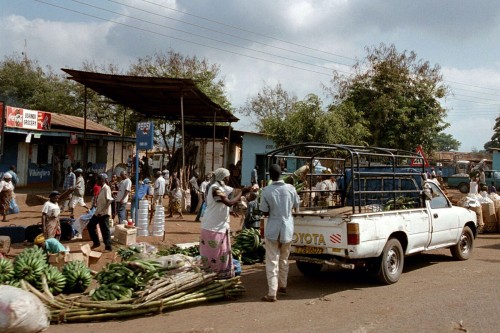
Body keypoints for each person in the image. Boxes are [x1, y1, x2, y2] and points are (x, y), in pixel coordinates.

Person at [259, 164, 300, 302]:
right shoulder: (291, 189)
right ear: (282, 173)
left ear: (270, 175)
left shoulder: (266, 190)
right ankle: (283, 285)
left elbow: (264, 211)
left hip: (273, 228)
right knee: (284, 258)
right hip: (287, 228)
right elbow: (296, 205)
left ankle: (272, 292)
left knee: (272, 261)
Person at [200, 168, 249, 279]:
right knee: (215, 254)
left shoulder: (220, 188)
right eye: (227, 177)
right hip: (213, 228)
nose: (228, 179)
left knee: (221, 253)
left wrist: (230, 211)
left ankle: (221, 275)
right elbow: (229, 202)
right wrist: (242, 192)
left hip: (219, 227)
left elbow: (231, 194)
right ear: (223, 177)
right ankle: (213, 276)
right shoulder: (215, 188)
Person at [87, 173, 113, 252]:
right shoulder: (102, 188)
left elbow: (110, 200)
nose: (96, 181)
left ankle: (108, 247)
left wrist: (102, 211)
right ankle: (96, 242)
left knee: (105, 230)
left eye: (98, 179)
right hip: (98, 212)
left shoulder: (106, 188)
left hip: (103, 213)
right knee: (90, 226)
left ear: (102, 180)